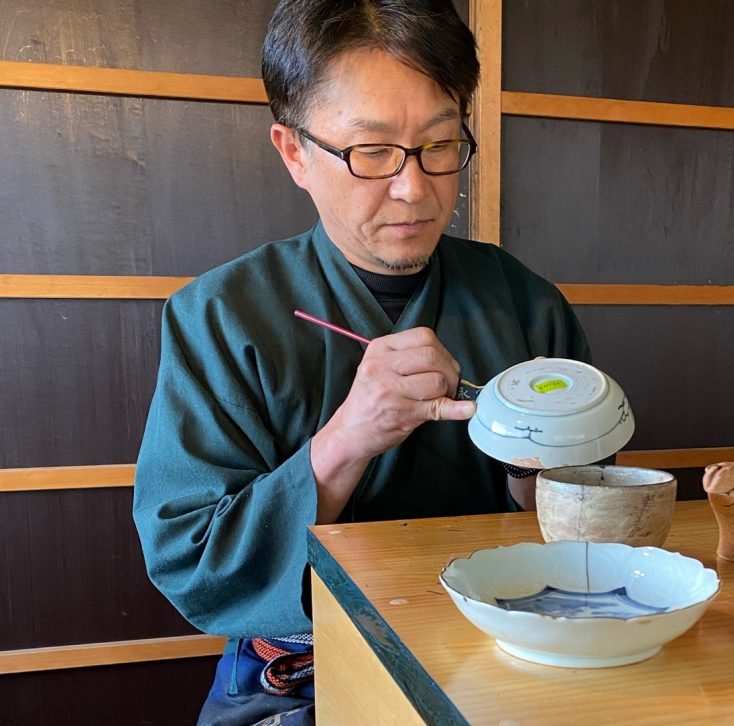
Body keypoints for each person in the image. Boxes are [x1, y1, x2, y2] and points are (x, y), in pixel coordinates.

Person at [132, 0, 590, 723]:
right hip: (297, 677)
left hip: (507, 652)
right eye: (372, 152)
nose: (414, 187)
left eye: (440, 146)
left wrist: (540, 470)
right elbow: (194, 559)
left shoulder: (527, 306)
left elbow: (591, 541)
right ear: (293, 152)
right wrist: (350, 435)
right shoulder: (222, 315)